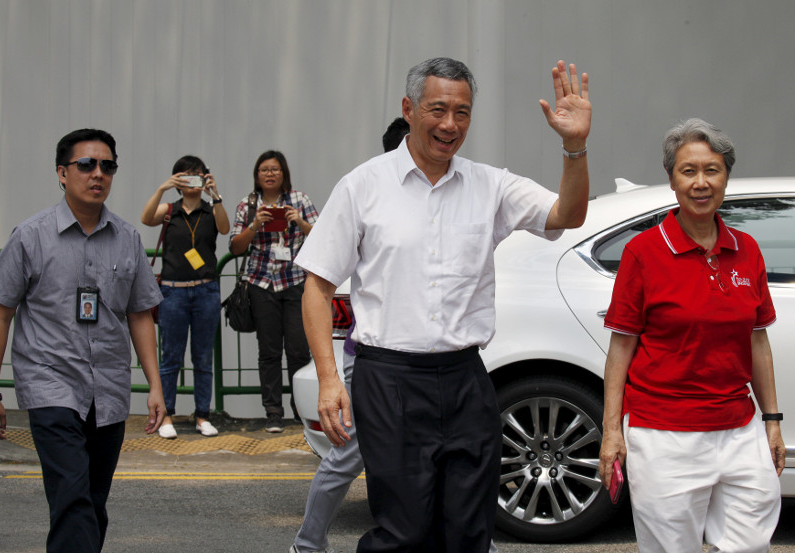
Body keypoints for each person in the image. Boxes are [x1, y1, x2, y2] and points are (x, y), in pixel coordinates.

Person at [296, 57, 590, 552]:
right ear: (409, 109)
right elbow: (318, 285)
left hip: (465, 379)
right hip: (388, 379)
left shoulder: (490, 185)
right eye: (438, 109)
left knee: (470, 530)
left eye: (463, 112)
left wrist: (574, 147)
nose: (450, 124)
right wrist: (329, 379)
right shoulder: (363, 185)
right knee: (403, 531)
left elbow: (569, 213)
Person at [598, 118, 784, 553]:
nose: (701, 183)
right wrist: (612, 431)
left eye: (712, 170)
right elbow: (620, 347)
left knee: (750, 542)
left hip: (739, 428)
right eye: (688, 171)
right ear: (671, 179)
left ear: (726, 176)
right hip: (665, 435)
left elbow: (757, 340)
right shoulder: (642, 252)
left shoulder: (748, 249)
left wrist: (772, 420)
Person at [0, 128, 165, 553]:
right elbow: (1, 313)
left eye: (107, 166)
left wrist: (156, 386)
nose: (98, 174)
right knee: (72, 495)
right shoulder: (30, 236)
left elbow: (140, 313)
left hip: (107, 388)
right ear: (61, 173)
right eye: (86, 164)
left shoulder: (127, 238)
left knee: (92, 501)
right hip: (50, 383)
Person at [140, 156, 230, 439]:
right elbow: (145, 218)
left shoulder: (210, 210)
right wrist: (162, 188)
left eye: (198, 174)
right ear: (178, 180)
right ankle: (165, 415)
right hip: (172, 291)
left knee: (203, 358)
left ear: (206, 177)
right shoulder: (169, 210)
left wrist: (215, 195)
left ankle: (202, 415)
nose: (193, 179)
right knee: (170, 358)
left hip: (205, 290)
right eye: (186, 175)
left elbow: (225, 229)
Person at [229, 150, 318, 433]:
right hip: (261, 283)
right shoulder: (247, 204)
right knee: (268, 352)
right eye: (264, 170)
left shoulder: (299, 200)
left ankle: (300, 410)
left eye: (275, 169)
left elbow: (323, 237)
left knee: (298, 351)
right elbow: (235, 247)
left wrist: (299, 221)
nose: (269, 174)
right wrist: (256, 224)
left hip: (293, 282)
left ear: (284, 174)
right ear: (257, 175)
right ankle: (273, 412)